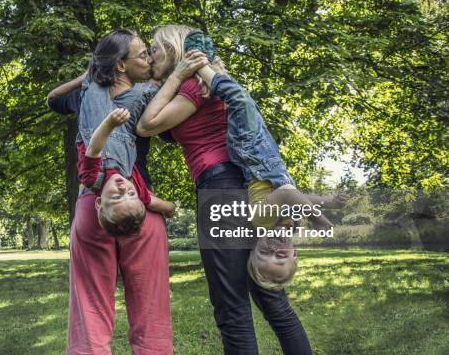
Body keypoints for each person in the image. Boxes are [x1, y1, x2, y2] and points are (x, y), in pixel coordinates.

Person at [137, 24, 313, 354]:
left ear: (175, 51)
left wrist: (175, 75)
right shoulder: (200, 84)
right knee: (272, 300)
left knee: (232, 308)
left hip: (221, 189)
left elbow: (146, 125)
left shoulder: (191, 85)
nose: (149, 56)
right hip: (242, 188)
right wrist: (159, 81)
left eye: (155, 49)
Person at [185, 29, 347, 290]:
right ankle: (211, 61)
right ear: (294, 254)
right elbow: (298, 196)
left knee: (240, 101)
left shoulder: (261, 220)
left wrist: (317, 216)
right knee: (238, 101)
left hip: (252, 156)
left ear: (255, 249)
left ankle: (198, 62)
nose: (273, 249)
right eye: (280, 256)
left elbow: (284, 195)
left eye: (264, 254)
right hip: (268, 157)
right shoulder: (288, 225)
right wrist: (329, 202)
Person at [48, 29, 176, 354]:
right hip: (139, 205)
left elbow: (53, 99)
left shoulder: (92, 93)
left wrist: (86, 76)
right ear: (120, 65)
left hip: (94, 206)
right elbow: (174, 133)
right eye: (143, 54)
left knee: (89, 307)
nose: (149, 59)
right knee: (151, 309)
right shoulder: (149, 97)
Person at [77, 106, 175, 236]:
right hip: (122, 131)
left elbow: (94, 149)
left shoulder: (92, 179)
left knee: (95, 88)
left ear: (99, 202)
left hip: (95, 126)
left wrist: (109, 123)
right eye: (131, 194)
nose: (124, 189)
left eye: (117, 197)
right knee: (144, 92)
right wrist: (170, 208)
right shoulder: (134, 186)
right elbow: (153, 202)